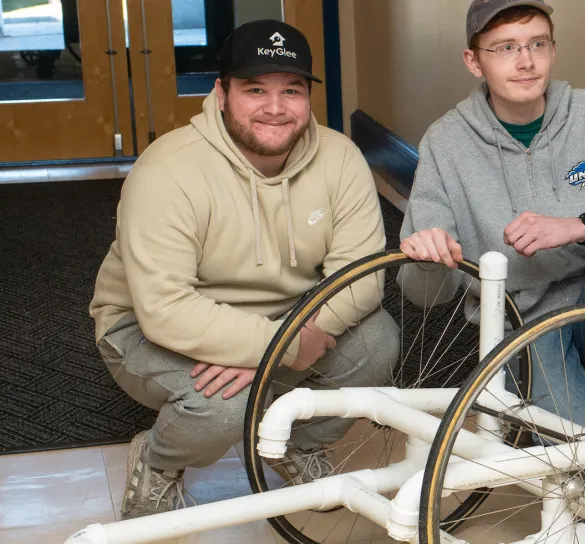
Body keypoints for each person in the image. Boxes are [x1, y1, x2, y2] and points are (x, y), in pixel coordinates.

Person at [89, 19, 398, 519]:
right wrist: (279, 348)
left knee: (378, 341)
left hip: (291, 317)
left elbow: (360, 280)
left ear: (308, 97)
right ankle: (159, 460)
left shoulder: (340, 158)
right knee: (228, 405)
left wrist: (269, 346)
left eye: (291, 90)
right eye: (255, 89)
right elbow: (164, 309)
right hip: (146, 328)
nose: (275, 108)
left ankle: (293, 443)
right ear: (221, 93)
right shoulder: (167, 170)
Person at [397, 0, 585, 434]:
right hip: (523, 323)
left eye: (537, 44)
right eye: (506, 48)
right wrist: (427, 260)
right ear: (473, 62)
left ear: (553, 49)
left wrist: (584, 228)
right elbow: (425, 297)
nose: (526, 61)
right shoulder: (445, 143)